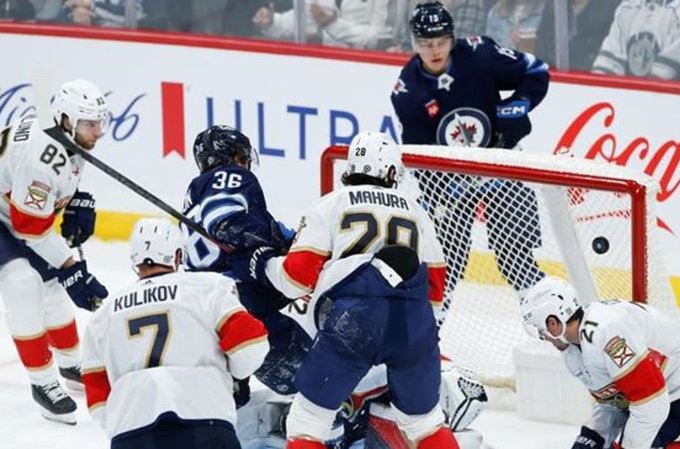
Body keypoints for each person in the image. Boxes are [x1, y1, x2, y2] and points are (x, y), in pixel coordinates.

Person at [229, 131, 461, 449]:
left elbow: (295, 279)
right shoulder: (416, 211)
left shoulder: (331, 205)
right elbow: (435, 288)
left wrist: (262, 263)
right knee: (425, 423)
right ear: (391, 172)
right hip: (415, 321)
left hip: (354, 321)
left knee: (308, 422)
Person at [0, 78, 110, 424]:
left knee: (51, 283)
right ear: (67, 120)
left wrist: (75, 200)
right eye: (89, 123)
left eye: (101, 121)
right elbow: (30, 228)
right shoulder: (43, 155)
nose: (98, 131)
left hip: (7, 204)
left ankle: (70, 363)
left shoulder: (66, 135)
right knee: (22, 281)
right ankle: (42, 383)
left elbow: (54, 185)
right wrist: (72, 267)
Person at [390, 1, 550, 310]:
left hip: (503, 171)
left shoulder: (479, 55)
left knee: (516, 259)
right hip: (452, 188)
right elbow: (420, 158)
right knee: (443, 267)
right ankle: (426, 337)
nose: (435, 50)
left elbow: (536, 71)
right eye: (426, 44)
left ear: (452, 38)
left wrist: (514, 110)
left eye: (441, 42)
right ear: (414, 44)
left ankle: (557, 324)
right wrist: (444, 191)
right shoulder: (407, 91)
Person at [80, 218, 269, 449]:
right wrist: (233, 379)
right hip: (204, 420)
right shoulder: (208, 289)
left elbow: (97, 399)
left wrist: (125, 418)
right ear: (178, 255)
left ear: (135, 260)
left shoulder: (103, 317)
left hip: (131, 433)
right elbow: (249, 344)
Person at [520, 276, 680, 449]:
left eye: (540, 328)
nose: (542, 336)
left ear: (554, 321)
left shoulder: (607, 332)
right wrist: (591, 437)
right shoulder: (574, 353)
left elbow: (651, 403)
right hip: (663, 397)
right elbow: (614, 402)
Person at [181, 124, 311, 395]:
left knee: (230, 395)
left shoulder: (194, 195)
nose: (245, 163)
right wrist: (278, 243)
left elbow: (249, 228)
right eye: (241, 156)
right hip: (240, 302)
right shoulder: (229, 176)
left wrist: (285, 239)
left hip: (203, 307)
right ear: (227, 157)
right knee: (312, 379)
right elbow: (225, 221)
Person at [592, 0, 680, 80]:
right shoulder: (628, 5)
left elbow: (665, 75)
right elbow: (607, 66)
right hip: (624, 100)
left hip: (666, 105)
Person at [253, 0, 391, 49]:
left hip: (365, 67)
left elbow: (381, 38)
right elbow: (302, 19)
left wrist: (333, 25)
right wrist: (273, 23)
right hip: (325, 64)